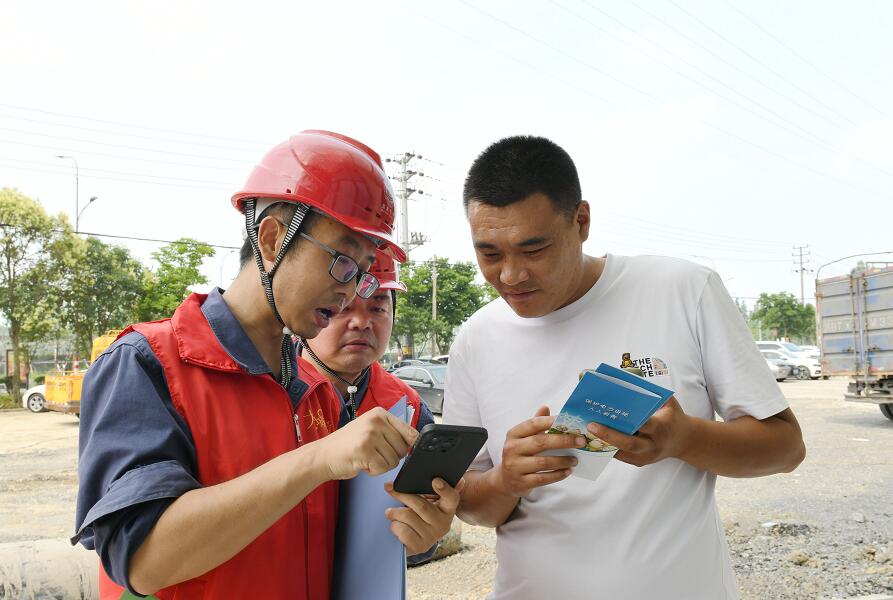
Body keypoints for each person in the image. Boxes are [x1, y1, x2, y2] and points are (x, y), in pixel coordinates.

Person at [443, 135, 806, 599]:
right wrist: (504, 480)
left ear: (581, 221)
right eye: (490, 254)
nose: (511, 275)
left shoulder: (682, 290)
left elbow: (785, 448)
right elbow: (471, 505)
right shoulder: (476, 338)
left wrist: (684, 438)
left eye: (533, 250)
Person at [73, 130, 420, 600]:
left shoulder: (315, 391)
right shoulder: (147, 364)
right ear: (274, 239)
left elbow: (344, 544)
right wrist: (317, 459)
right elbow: (143, 560)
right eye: (343, 261)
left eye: (361, 272)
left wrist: (418, 527)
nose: (349, 290)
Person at [301, 251, 460, 562]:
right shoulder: (270, 388)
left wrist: (424, 536)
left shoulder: (408, 406)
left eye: (377, 307)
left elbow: (418, 529)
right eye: (343, 306)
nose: (362, 322)